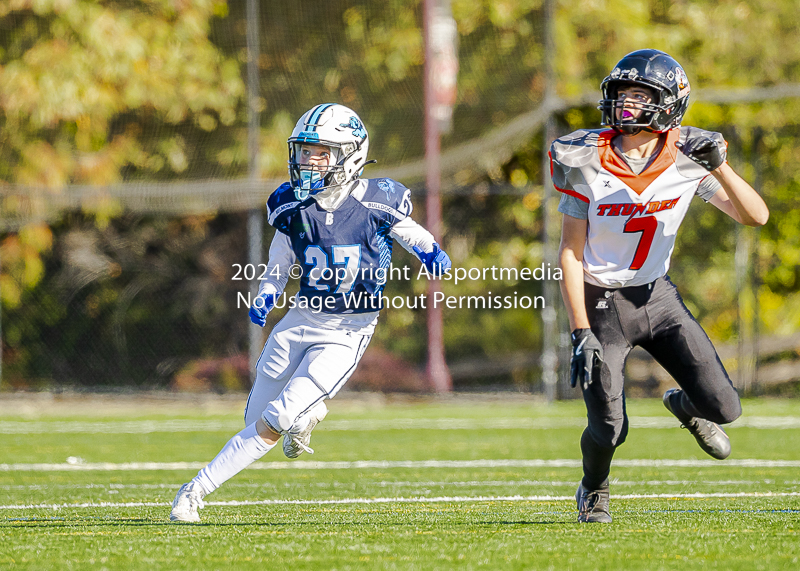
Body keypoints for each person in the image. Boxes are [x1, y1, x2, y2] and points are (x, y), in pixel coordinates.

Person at [170, 103, 451, 522]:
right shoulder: (292, 205)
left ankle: (194, 492)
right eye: (303, 151)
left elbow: (414, 234)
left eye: (320, 152)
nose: (307, 161)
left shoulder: (379, 200)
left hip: (348, 329)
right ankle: (309, 410)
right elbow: (280, 262)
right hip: (300, 318)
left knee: (274, 419)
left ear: (351, 153)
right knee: (254, 418)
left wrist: (430, 252)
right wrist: (267, 293)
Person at [552, 49, 769, 523]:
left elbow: (755, 217)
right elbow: (570, 253)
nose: (626, 106)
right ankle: (594, 489)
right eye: (621, 95)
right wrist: (579, 329)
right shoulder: (584, 158)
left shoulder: (691, 156)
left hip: (658, 298)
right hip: (601, 304)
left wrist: (720, 169)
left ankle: (685, 405)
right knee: (609, 427)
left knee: (726, 408)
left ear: (669, 104)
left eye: (638, 96)